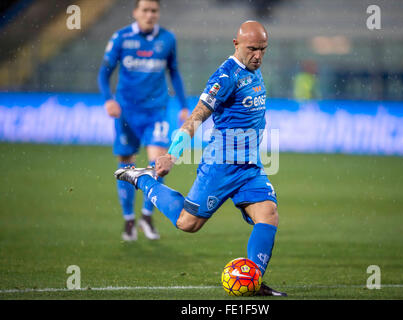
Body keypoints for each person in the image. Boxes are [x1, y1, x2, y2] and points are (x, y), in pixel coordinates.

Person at [115, 20, 287, 296]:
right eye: (252, 49)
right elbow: (197, 116)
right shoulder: (225, 76)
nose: (258, 55)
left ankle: (252, 280)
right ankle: (145, 180)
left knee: (268, 214)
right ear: (236, 44)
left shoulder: (255, 70)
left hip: (250, 167)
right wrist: (172, 154)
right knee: (188, 223)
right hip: (220, 165)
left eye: (263, 49)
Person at [98, 0, 189, 241]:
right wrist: (109, 99)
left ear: (158, 13)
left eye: (154, 11)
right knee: (126, 168)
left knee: (157, 164)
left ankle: (147, 217)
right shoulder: (121, 37)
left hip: (155, 111)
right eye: (145, 10)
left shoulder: (167, 39)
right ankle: (129, 220)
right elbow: (104, 73)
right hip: (126, 113)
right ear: (135, 13)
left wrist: (183, 106)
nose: (150, 15)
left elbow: (175, 72)